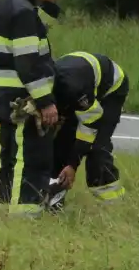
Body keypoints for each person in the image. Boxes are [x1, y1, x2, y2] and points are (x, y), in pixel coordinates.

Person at [0, 0, 63, 217]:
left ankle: (2, 211)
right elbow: (29, 61)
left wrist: (50, 3)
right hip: (25, 98)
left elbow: (35, 35)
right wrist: (46, 101)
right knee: (30, 159)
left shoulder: (2, 6)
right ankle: (25, 218)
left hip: (6, 95)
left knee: (8, 158)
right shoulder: (24, 12)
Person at [45, 51, 130, 211]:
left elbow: (90, 125)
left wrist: (72, 165)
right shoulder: (42, 89)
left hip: (111, 89)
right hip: (80, 78)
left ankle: (113, 206)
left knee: (96, 146)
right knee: (62, 141)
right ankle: (54, 200)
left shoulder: (73, 89)